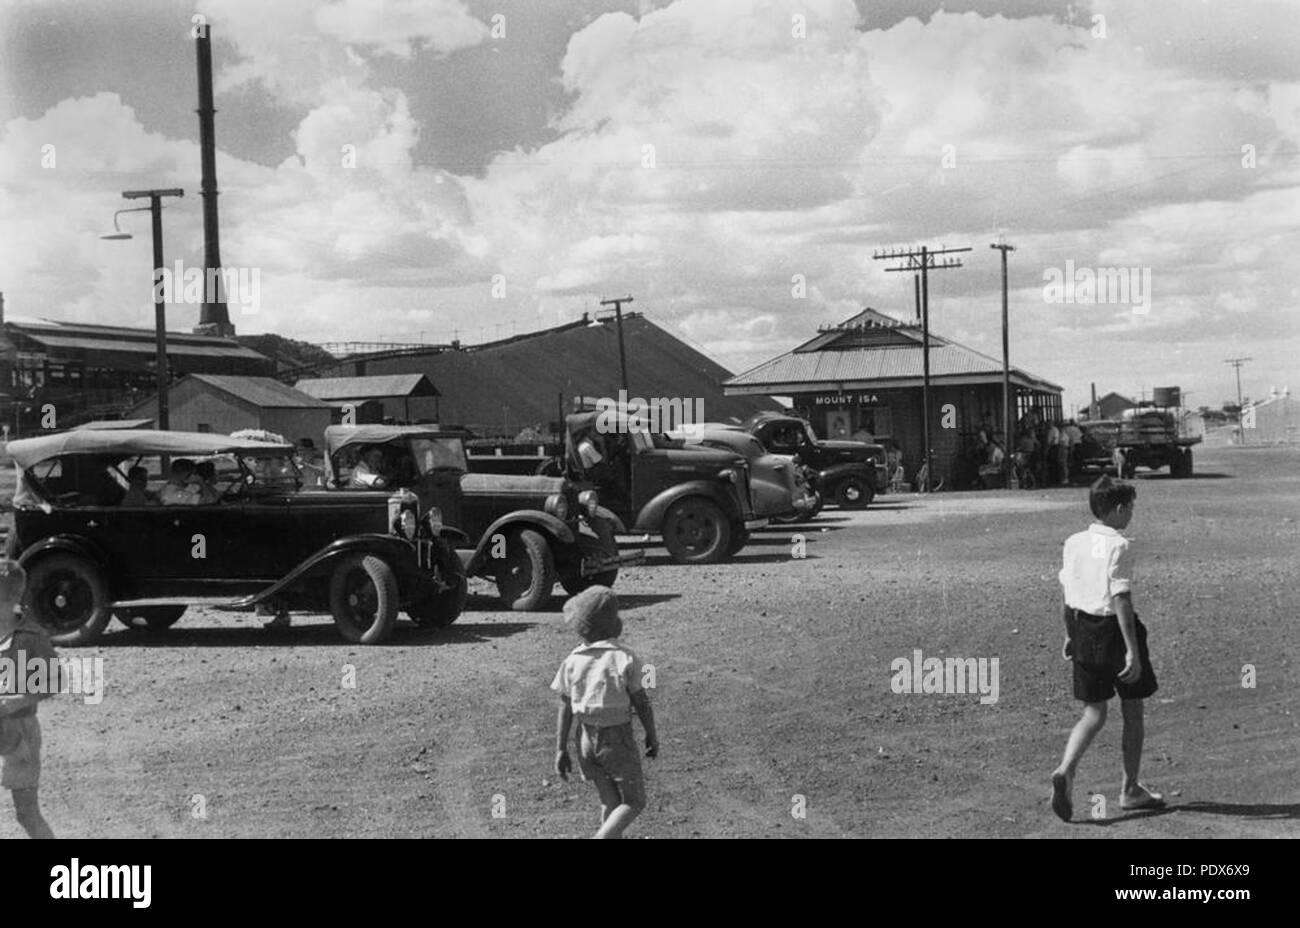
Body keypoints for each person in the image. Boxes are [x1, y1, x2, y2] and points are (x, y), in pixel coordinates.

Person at [1050, 476, 1163, 822]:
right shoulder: (1120, 545)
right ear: (1117, 509)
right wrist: (1132, 650)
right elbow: (1121, 598)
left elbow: (1068, 594)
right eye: (1129, 507)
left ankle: (1066, 768)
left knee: (1094, 712)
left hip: (1083, 628)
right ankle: (1130, 789)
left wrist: (1071, 635)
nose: (1131, 514)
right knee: (1133, 711)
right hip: (1114, 632)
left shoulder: (1073, 543)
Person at [551, 586, 658, 839]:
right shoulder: (625, 658)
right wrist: (652, 735)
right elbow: (641, 702)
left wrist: (560, 748)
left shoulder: (572, 661)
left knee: (609, 802)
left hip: (585, 738)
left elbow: (565, 706)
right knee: (634, 801)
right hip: (616, 738)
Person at [0, 560, 56, 838]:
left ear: (9, 598)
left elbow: (54, 682)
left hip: (18, 733)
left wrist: (16, 701)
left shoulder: (30, 638)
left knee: (26, 813)